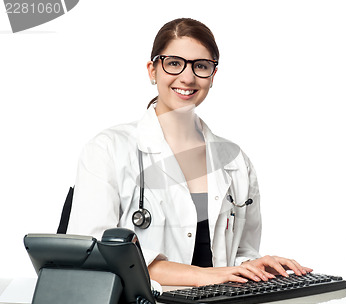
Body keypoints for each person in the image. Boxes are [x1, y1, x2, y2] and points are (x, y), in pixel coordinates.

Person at [67, 18, 312, 287]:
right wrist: (201, 275)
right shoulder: (107, 150)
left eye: (201, 66)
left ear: (212, 75)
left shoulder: (236, 161)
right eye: (174, 63)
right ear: (153, 70)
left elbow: (241, 251)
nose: (187, 77)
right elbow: (94, 253)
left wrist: (252, 266)